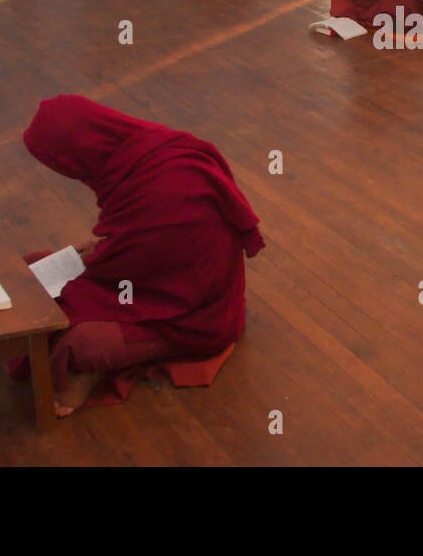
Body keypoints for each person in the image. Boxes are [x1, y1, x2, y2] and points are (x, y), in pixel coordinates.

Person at [18, 94, 265, 416]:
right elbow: (144, 247)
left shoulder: (167, 185)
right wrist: (106, 248)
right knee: (29, 267)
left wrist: (98, 260)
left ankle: (86, 371)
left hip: (192, 314)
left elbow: (140, 261)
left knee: (82, 344)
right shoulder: (140, 149)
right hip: (155, 274)